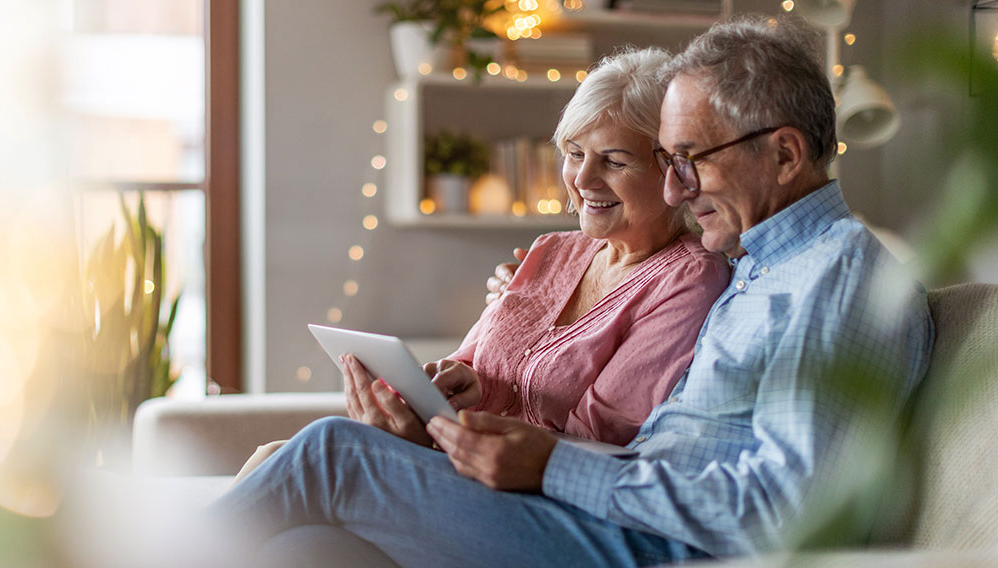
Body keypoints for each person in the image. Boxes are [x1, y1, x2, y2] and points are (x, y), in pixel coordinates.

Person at [209, 14, 934, 567]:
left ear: (783, 155)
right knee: (297, 527)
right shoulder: (762, 264)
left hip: (651, 546)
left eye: (690, 161)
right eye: (670, 162)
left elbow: (788, 511)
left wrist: (555, 467)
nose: (678, 188)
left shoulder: (838, 278)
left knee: (330, 455)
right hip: (625, 519)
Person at [230, 47, 731, 486]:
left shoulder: (690, 277)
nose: (581, 179)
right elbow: (474, 367)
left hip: (526, 496)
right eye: (574, 153)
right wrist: (453, 386)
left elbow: (598, 438)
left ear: (674, 172)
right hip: (457, 460)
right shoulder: (552, 250)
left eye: (614, 161)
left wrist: (434, 438)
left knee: (311, 451)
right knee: (278, 468)